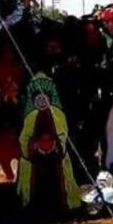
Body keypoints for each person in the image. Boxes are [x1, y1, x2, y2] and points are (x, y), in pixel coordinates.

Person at [18, 73, 82, 214]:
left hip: (55, 159)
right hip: (37, 160)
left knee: (56, 184)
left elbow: (63, 133)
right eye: (38, 98)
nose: (41, 101)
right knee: (38, 185)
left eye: (44, 98)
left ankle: (59, 206)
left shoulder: (58, 114)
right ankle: (36, 206)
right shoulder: (30, 117)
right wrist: (33, 146)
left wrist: (56, 145)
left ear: (49, 98)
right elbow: (24, 137)